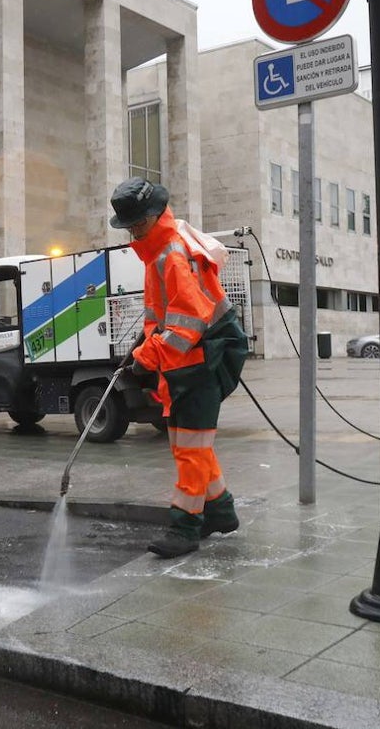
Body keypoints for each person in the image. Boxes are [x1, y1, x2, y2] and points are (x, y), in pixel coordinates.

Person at [109, 177, 249, 558]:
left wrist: (146, 358)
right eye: (130, 227)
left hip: (204, 357)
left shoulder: (170, 253)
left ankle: (186, 528)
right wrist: (145, 342)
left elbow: (188, 321)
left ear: (155, 217)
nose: (134, 233)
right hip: (194, 358)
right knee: (193, 443)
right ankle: (220, 510)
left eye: (138, 225)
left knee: (189, 447)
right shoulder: (161, 250)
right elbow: (165, 315)